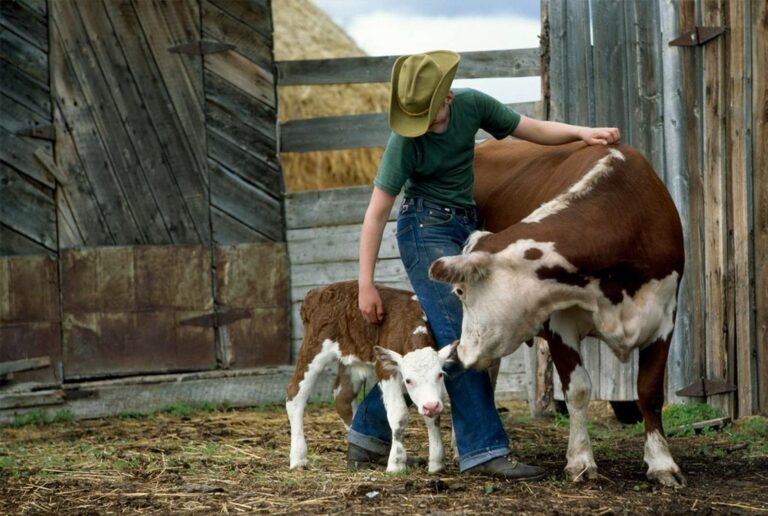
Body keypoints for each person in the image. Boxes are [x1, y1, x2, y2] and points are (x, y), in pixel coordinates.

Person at [348, 50, 621, 479]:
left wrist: (583, 134)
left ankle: (367, 433)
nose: (423, 125)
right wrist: (366, 284)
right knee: (463, 336)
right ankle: (483, 451)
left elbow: (531, 129)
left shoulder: (472, 104)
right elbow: (376, 213)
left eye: (428, 115)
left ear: (448, 97)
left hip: (469, 228)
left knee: (440, 337)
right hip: (424, 232)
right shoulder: (404, 141)